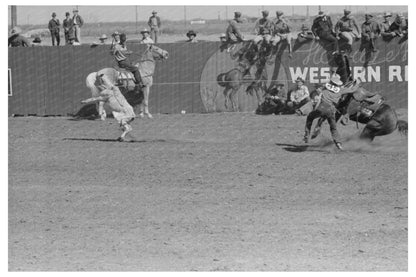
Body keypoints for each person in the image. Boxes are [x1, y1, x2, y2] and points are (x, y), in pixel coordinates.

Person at [81, 74, 135, 142]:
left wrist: (103, 77)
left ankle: (124, 135)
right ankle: (126, 136)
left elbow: (109, 85)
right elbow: (96, 98)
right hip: (122, 111)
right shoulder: (106, 96)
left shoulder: (115, 91)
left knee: (124, 124)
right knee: (123, 126)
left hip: (126, 110)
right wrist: (86, 101)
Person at [303, 74, 344, 150]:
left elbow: (319, 98)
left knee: (310, 117)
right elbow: (351, 89)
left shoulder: (325, 90)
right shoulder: (340, 91)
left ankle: (307, 134)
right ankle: (338, 143)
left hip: (322, 108)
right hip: (331, 110)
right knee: (333, 127)